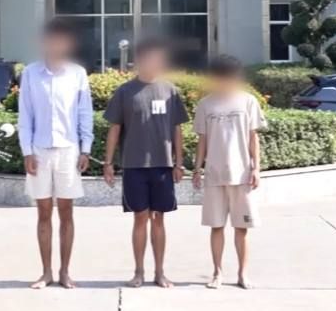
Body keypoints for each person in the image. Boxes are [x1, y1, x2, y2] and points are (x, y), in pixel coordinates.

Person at [103, 39, 188, 288]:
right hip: (134, 165)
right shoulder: (125, 91)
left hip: (163, 165)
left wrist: (179, 163)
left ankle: (160, 272)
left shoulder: (170, 90)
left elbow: (177, 129)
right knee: (140, 217)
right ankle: (138, 272)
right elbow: (115, 128)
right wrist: (108, 162)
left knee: (159, 218)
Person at [16, 18, 93, 289]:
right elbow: (25, 115)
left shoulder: (77, 74)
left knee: (67, 212)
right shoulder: (31, 73)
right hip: (39, 151)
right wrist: (27, 151)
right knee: (44, 212)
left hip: (68, 150)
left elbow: (84, 113)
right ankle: (46, 272)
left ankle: (65, 272)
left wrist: (86, 148)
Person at [192, 54, 266, 290]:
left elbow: (253, 138)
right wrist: (197, 169)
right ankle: (217, 273)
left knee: (241, 228)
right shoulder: (205, 104)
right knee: (216, 226)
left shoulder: (248, 102)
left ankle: (243, 274)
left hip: (242, 174)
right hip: (214, 175)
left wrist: (256, 168)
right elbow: (202, 140)